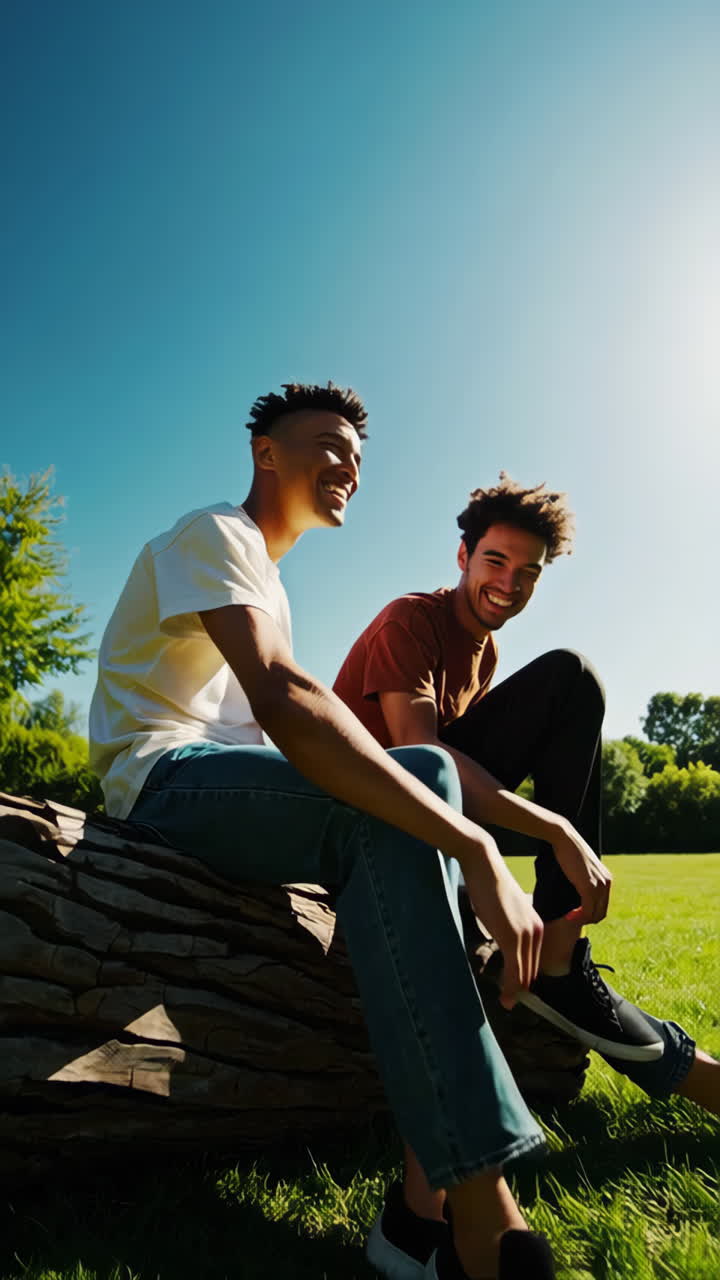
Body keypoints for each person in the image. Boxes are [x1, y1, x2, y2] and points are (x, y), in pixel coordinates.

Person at [89, 384, 585, 1280]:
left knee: (421, 772)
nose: (348, 464)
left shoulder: (267, 580)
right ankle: (477, 1202)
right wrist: (475, 848)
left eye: (357, 453)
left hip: (225, 791)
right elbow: (285, 698)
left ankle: (409, 1226)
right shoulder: (216, 535)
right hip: (160, 782)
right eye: (327, 444)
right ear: (265, 454)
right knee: (416, 783)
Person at [332, 473, 720, 1278]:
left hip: (436, 825)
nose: (508, 585)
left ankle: (560, 957)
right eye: (496, 562)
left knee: (572, 680)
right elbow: (419, 764)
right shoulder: (412, 620)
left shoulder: (487, 648)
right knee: (532, 708)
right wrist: (553, 825)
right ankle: (425, 1215)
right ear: (464, 554)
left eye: (529, 572)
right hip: (367, 824)